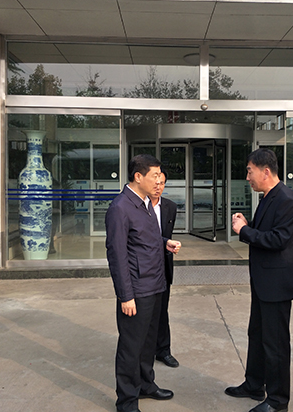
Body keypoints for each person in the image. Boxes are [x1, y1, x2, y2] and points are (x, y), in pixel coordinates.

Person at [226, 148, 293, 412]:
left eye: (249, 171)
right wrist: (248, 224)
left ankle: (277, 400)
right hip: (264, 281)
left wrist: (244, 231)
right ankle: (254, 384)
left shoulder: (285, 199)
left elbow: (278, 239)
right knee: (257, 334)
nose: (247, 177)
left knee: (275, 344)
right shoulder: (268, 197)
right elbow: (266, 230)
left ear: (265, 171)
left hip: (277, 283)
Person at [105, 154, 182, 412]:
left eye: (160, 176)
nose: (159, 181)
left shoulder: (146, 203)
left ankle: (147, 385)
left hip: (156, 284)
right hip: (137, 290)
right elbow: (117, 255)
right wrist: (125, 295)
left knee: (148, 343)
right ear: (138, 177)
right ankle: (127, 400)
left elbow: (145, 238)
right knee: (131, 346)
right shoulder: (120, 208)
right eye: (155, 176)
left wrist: (165, 243)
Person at [149, 170, 180, 368]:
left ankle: (163, 350)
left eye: (162, 183)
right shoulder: (138, 206)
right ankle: (144, 349)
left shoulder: (170, 207)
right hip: (143, 267)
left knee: (162, 310)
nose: (158, 187)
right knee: (144, 313)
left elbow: (166, 235)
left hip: (163, 266)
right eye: (156, 182)